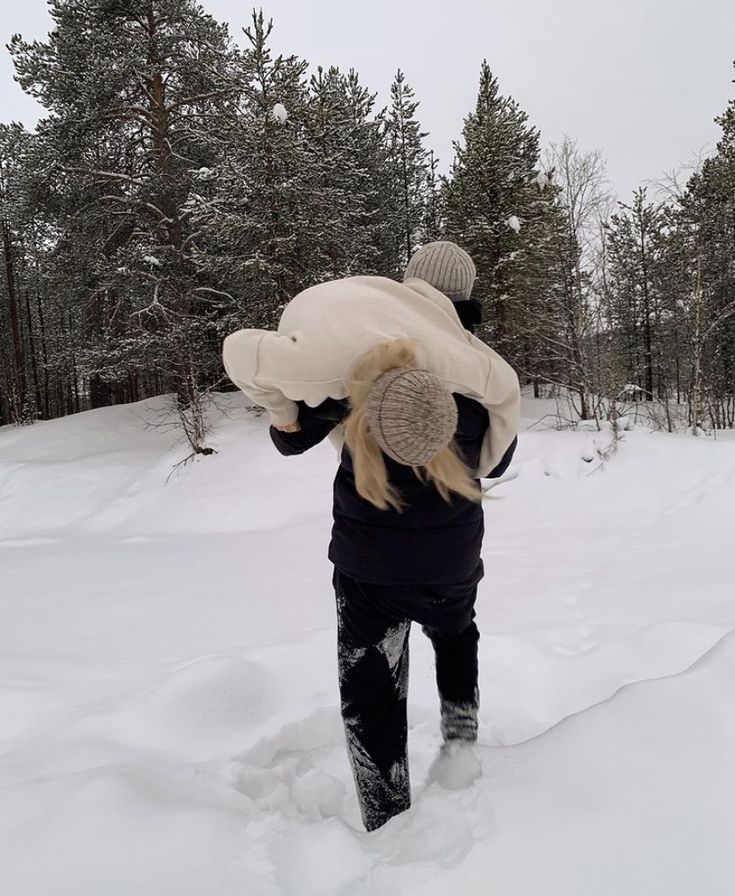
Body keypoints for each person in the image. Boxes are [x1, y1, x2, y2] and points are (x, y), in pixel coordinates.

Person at [223, 245, 520, 831]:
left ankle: (386, 816)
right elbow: (498, 465)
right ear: (465, 302)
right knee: (457, 636)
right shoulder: (481, 381)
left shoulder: (358, 372)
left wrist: (291, 409)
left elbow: (289, 441)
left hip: (367, 564)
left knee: (370, 686)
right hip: (451, 557)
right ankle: (460, 740)